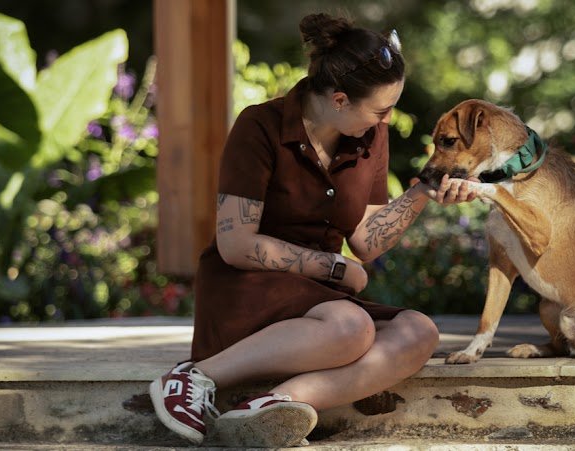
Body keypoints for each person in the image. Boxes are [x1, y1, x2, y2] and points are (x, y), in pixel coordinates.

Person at [148, 12, 477, 448]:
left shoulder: (370, 136)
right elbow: (236, 244)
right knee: (352, 327)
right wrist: (334, 268)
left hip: (321, 307)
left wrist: (423, 193)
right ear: (339, 100)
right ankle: (193, 378)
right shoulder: (260, 126)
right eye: (381, 110)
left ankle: (273, 407)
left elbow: (365, 240)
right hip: (248, 288)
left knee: (419, 332)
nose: (387, 120)